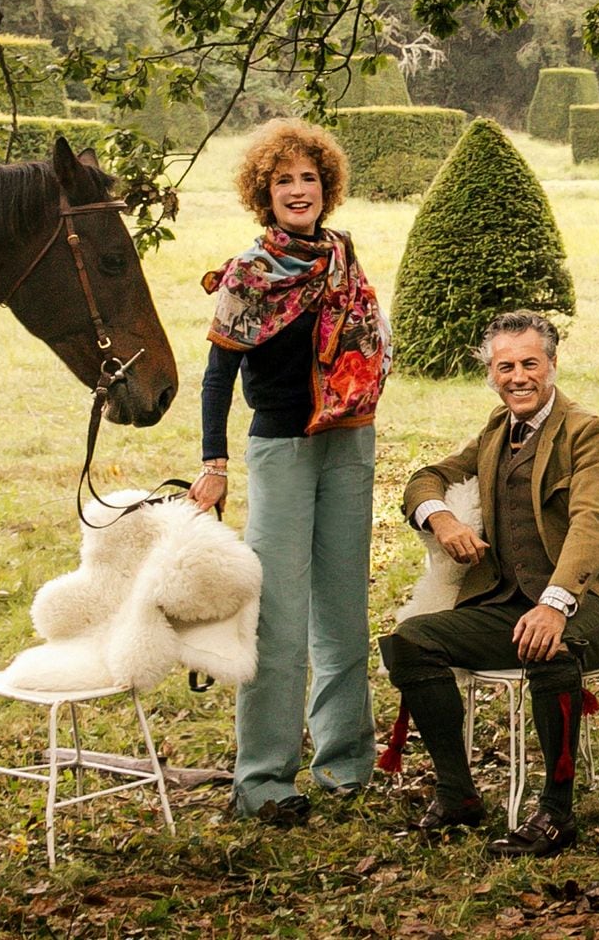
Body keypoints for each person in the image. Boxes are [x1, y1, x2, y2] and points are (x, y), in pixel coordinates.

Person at [380, 310, 599, 857]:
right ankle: (458, 794)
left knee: (551, 648)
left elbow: (593, 523)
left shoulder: (588, 432)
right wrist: (442, 518)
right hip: (510, 601)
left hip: (592, 600)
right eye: (504, 367)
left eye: (530, 363)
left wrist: (556, 605)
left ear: (552, 366)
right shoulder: (494, 430)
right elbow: (423, 480)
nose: (518, 377)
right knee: (409, 641)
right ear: (491, 374)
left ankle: (556, 813)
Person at [189, 117, 391, 826]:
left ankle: (345, 765)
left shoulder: (343, 256)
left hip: (350, 444)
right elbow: (218, 376)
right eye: (284, 181)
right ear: (264, 194)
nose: (298, 190)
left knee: (341, 610)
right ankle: (264, 779)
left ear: (325, 187)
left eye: (309, 178)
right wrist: (213, 461)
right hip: (280, 449)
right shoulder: (248, 274)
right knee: (277, 617)